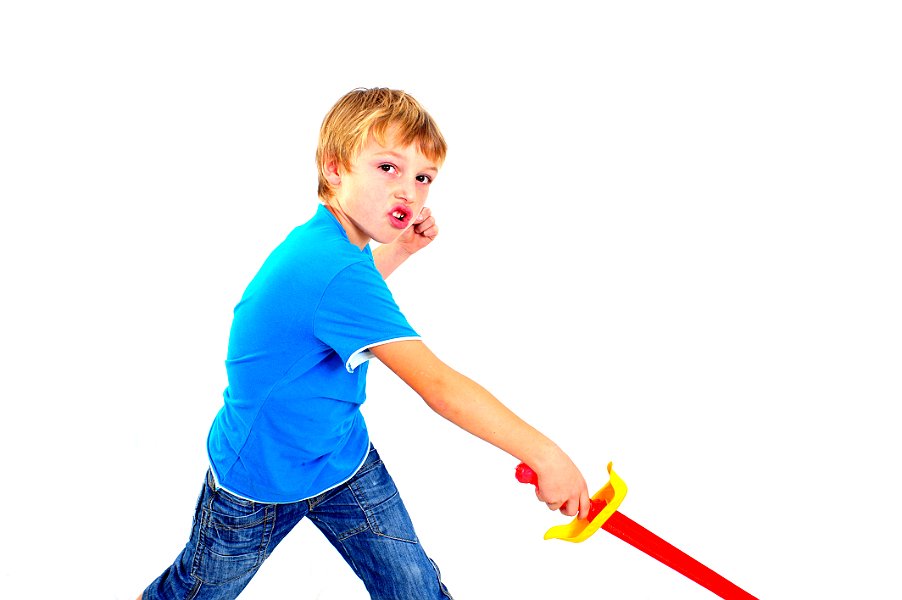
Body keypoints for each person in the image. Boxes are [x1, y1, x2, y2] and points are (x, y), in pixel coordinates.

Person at [139, 87, 590, 600]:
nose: (409, 192)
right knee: (192, 594)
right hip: (259, 477)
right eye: (388, 168)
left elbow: (330, 315)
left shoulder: (328, 246)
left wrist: (397, 252)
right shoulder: (335, 271)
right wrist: (546, 455)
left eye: (423, 178)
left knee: (414, 588)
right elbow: (438, 385)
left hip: (338, 458)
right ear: (334, 170)